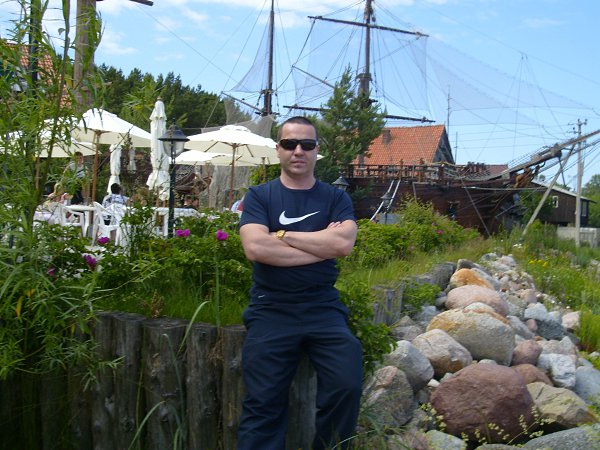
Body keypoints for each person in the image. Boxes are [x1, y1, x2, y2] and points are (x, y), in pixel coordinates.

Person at [237, 116, 362, 450]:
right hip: (270, 307)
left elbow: (343, 245)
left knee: (347, 385)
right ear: (278, 149)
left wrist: (282, 235)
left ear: (317, 150)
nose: (298, 151)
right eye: (290, 143)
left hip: (323, 308)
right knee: (263, 401)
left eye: (306, 144)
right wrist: (321, 245)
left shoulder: (335, 198)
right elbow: (256, 248)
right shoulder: (260, 195)